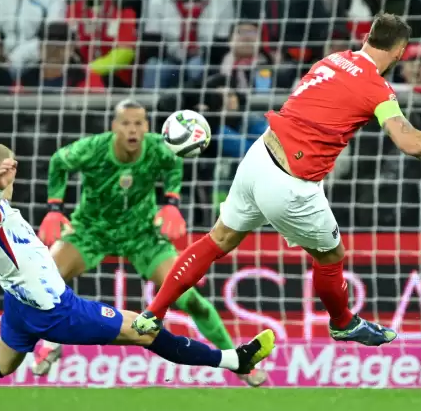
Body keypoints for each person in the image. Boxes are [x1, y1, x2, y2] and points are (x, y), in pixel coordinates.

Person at [132, 13, 421, 346]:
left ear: (366, 37)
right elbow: (409, 142)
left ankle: (153, 313)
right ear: (400, 52)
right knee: (331, 256)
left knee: (216, 239)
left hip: (259, 156)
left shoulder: (332, 59)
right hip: (290, 183)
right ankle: (343, 323)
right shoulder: (376, 88)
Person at [0, 134, 274, 387]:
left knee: (0, 364)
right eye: (10, 172)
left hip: (18, 302)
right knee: (145, 330)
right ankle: (235, 360)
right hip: (53, 308)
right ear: (3, 170)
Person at [34, 99, 267, 387]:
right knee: (45, 279)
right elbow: (58, 162)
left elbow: (173, 164)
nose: (133, 130)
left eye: (138, 123)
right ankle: (47, 341)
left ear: (147, 126)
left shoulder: (159, 147)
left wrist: (171, 201)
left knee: (190, 299)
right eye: (126, 123)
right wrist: (55, 208)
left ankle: (239, 362)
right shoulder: (93, 148)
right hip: (91, 231)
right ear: (114, 126)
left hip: (142, 235)